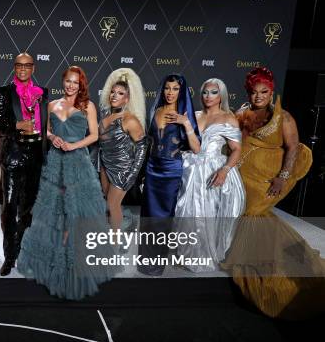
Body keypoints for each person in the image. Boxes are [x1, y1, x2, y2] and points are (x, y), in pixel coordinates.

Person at [221, 67, 325, 319]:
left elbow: (292, 149)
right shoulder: (243, 114)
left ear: (272, 92)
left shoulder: (284, 118)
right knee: (251, 218)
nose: (259, 97)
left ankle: (262, 268)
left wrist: (283, 176)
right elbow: (232, 141)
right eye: (254, 92)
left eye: (264, 92)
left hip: (264, 181)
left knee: (254, 215)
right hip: (240, 179)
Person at [17, 66, 115, 299]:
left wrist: (74, 145)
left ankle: (74, 263)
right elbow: (47, 131)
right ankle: (56, 259)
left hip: (78, 163)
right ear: (63, 82)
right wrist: (53, 137)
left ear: (81, 85)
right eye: (68, 81)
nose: (71, 86)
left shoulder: (87, 106)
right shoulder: (52, 105)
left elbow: (94, 135)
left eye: (75, 82)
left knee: (76, 214)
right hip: (56, 164)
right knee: (55, 213)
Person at [174, 78, 245, 272]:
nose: (208, 96)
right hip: (190, 169)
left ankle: (203, 256)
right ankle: (187, 253)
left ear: (221, 95)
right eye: (205, 92)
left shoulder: (228, 118)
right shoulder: (193, 115)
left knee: (207, 214)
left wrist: (225, 170)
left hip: (213, 170)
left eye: (213, 92)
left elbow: (236, 150)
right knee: (187, 211)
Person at [0, 52, 49, 276]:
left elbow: (45, 125)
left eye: (27, 66)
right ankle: (9, 256)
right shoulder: (4, 92)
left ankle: (22, 251)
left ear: (33, 68)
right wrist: (17, 125)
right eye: (19, 66)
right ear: (15, 68)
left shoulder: (43, 93)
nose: (23, 69)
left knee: (27, 210)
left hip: (35, 156)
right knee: (10, 208)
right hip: (13, 155)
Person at [138, 74, 200, 276]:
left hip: (172, 171)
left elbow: (197, 148)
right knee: (148, 217)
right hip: (152, 169)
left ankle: (156, 266)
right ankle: (144, 262)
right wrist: (144, 172)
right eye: (167, 88)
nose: (170, 92)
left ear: (181, 92)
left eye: (175, 89)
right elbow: (150, 144)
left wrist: (186, 123)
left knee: (163, 219)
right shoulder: (155, 110)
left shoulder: (184, 114)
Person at [92, 68, 147, 231]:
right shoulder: (105, 114)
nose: (115, 96)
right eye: (113, 92)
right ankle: (112, 237)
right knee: (107, 206)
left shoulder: (130, 120)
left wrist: (132, 174)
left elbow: (142, 148)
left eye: (120, 93)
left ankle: (114, 246)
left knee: (112, 204)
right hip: (105, 166)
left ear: (127, 99)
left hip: (122, 169)